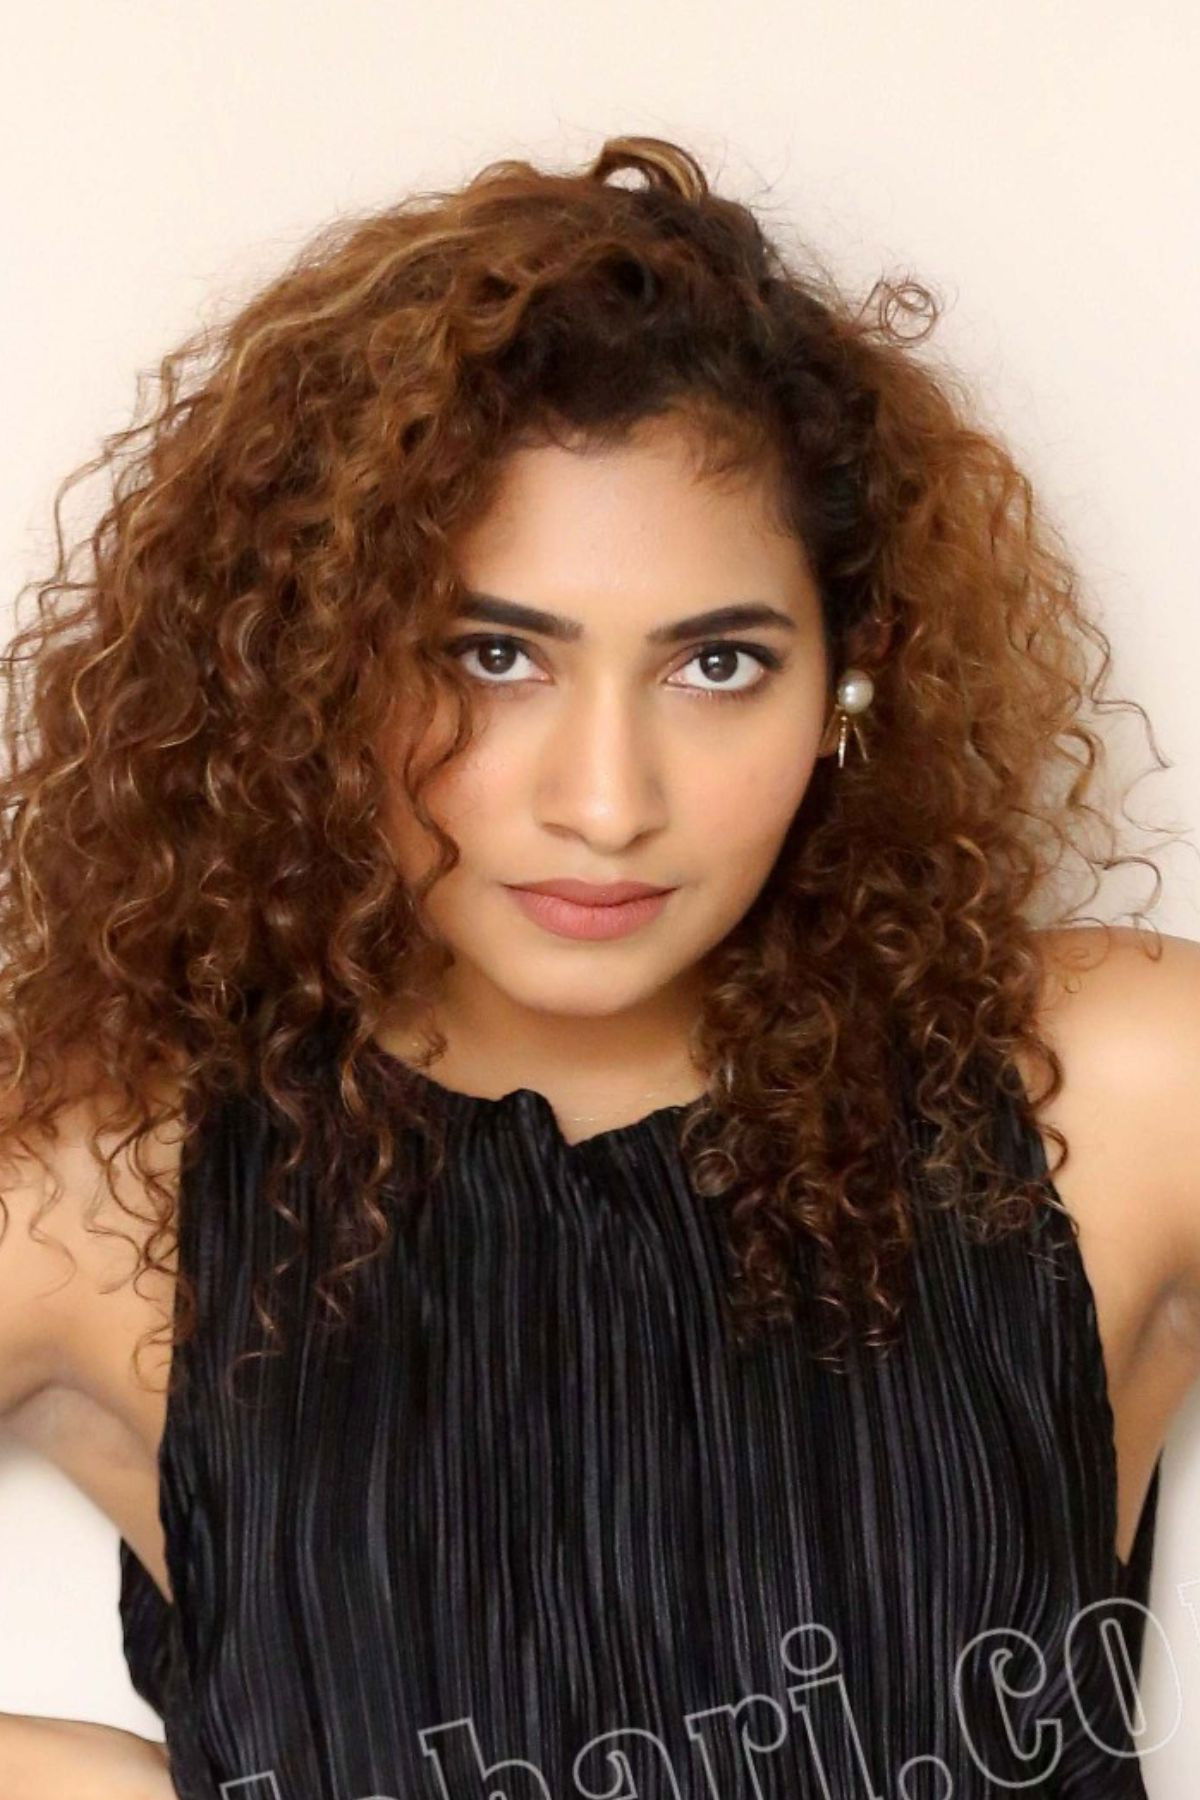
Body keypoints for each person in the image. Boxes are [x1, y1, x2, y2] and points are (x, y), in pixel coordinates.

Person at [0, 132, 1197, 1799]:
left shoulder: (1112, 1085)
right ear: (320, 671)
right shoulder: (116, 1186)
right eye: (493, 656)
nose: (607, 803)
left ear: (848, 685)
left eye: (718, 665)